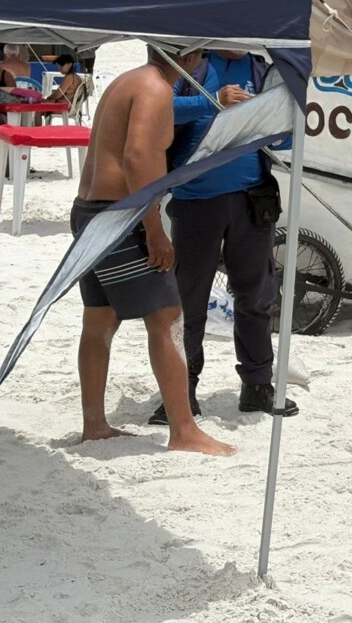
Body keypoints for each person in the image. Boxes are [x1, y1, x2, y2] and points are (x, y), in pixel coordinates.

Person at [70, 47, 234, 456]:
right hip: (119, 215)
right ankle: (184, 430)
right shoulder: (156, 88)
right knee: (167, 318)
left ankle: (94, 425)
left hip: (90, 210)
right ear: (189, 57)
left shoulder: (127, 80)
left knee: (100, 318)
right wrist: (154, 229)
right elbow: (138, 156)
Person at [148, 49, 298, 426]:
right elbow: (158, 108)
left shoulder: (263, 70)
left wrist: (278, 123)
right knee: (188, 299)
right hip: (196, 200)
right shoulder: (192, 63)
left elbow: (286, 136)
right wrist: (212, 100)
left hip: (253, 200)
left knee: (257, 295)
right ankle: (181, 391)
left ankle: (257, 384)